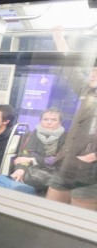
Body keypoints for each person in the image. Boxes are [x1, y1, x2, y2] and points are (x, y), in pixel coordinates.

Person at [46, 65, 97, 209]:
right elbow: (71, 69)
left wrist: (92, 156)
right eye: (92, 70)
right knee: (49, 214)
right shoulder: (88, 91)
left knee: (78, 224)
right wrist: (59, 41)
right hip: (68, 165)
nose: (93, 74)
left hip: (90, 174)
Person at [0, 108, 66, 194]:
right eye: (45, 119)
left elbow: (58, 160)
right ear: (41, 121)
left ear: (60, 122)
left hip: (54, 176)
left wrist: (33, 160)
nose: (49, 122)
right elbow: (25, 155)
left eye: (54, 120)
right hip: (32, 173)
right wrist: (21, 169)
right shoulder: (31, 135)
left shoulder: (66, 138)